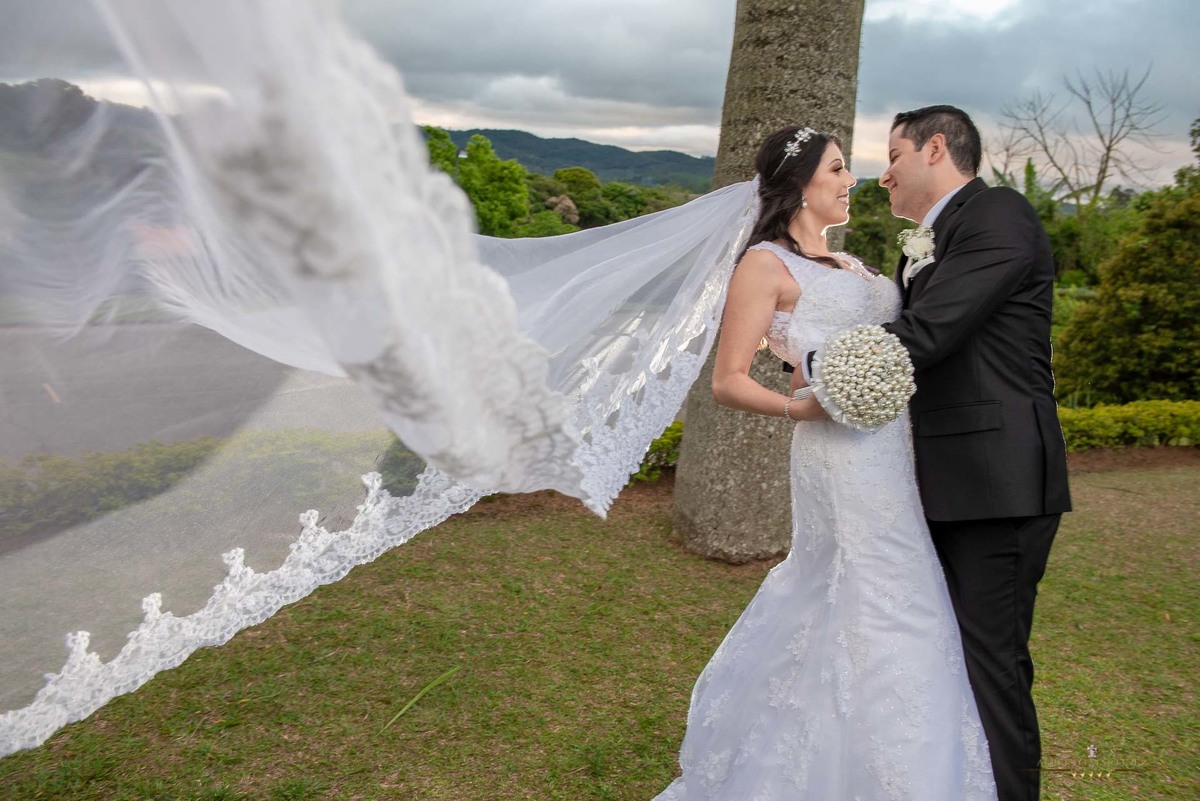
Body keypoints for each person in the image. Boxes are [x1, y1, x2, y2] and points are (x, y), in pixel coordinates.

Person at [652, 126, 997, 801]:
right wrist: (801, 410)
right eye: (838, 169)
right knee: (864, 590)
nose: (851, 181)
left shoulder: (856, 264)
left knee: (907, 595)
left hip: (893, 453)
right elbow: (728, 378)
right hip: (834, 458)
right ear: (801, 181)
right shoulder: (764, 265)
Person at [794, 106, 1071, 801]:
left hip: (995, 479)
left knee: (990, 663)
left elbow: (932, 330)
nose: (880, 174)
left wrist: (814, 360)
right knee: (943, 659)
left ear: (937, 147)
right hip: (939, 479)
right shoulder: (924, 241)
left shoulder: (997, 214)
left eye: (892, 154)